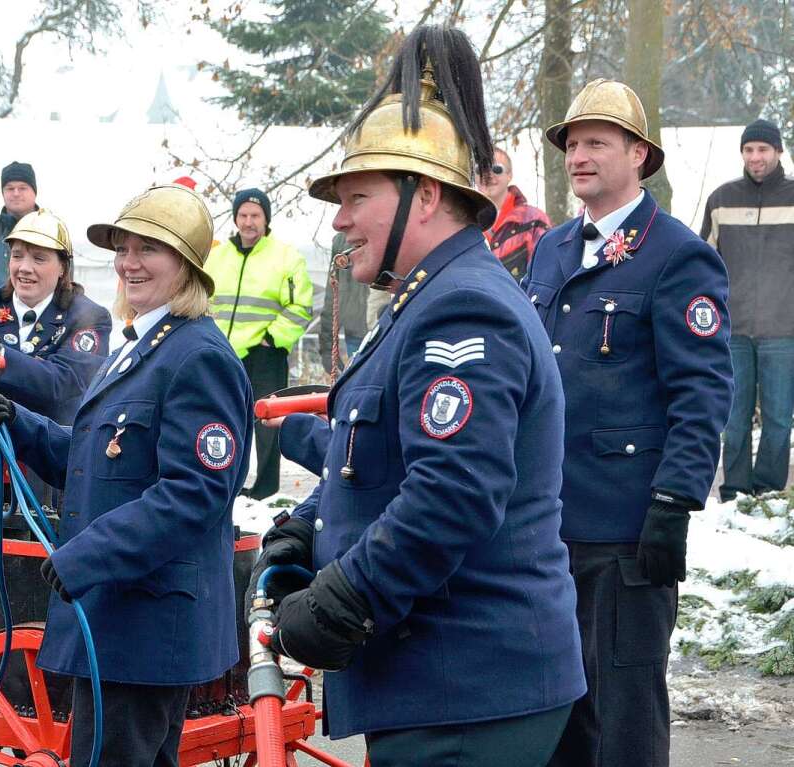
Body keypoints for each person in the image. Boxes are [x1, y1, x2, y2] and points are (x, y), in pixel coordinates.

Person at [248, 24, 586, 767]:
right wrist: (309, 528)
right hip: (445, 686)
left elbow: (453, 492)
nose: (337, 220)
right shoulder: (422, 301)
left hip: (467, 688)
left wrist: (343, 597)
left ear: (424, 195)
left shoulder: (463, 309)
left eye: (354, 196)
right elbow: (381, 460)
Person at [0, 184, 252, 767]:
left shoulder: (198, 356)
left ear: (188, 265)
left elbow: (192, 495)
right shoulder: (142, 341)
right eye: (124, 248)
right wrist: (16, 423)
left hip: (145, 627)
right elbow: (100, 461)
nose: (128, 263)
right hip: (120, 622)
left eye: (150, 249)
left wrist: (85, 557)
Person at [523, 79, 734, 767]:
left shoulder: (676, 254)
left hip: (625, 528)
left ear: (637, 154)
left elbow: (701, 391)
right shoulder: (551, 250)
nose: (577, 156)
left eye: (595, 143)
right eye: (570, 144)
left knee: (625, 715)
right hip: (548, 525)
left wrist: (673, 501)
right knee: (556, 711)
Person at [0, 209, 112, 532]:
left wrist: (0, 358)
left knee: (33, 562)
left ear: (62, 267)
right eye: (17, 256)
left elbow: (62, 384)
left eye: (39, 258)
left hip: (42, 469)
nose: (24, 268)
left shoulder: (88, 317)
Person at [701, 118, 794, 501]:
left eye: (763, 149)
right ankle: (734, 492)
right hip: (732, 331)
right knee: (734, 419)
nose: (755, 157)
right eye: (749, 149)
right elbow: (701, 265)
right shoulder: (721, 200)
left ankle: (770, 491)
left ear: (778, 151)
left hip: (784, 330)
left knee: (777, 420)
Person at [205, 187, 313, 499]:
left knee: (267, 423)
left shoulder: (286, 257)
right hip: (223, 353)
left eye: (255, 215)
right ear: (235, 218)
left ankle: (265, 488)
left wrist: (273, 339)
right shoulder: (217, 256)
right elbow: (203, 299)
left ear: (266, 219)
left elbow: (300, 306)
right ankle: (224, 480)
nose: (249, 221)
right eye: (243, 215)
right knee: (223, 419)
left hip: (265, 354)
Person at [477, 147, 551, 279]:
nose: (488, 174)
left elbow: (545, 274)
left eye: (497, 169)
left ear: (509, 175)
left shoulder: (534, 220)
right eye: (480, 169)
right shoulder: (461, 223)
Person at [318, 232, 368, 375]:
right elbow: (333, 293)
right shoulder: (343, 238)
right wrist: (327, 348)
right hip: (356, 335)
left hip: (388, 330)